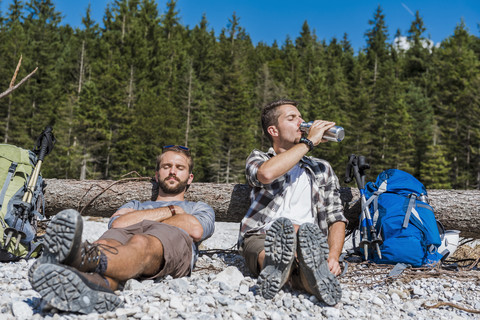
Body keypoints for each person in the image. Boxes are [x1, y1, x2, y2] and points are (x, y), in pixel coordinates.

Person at [29, 145, 215, 314]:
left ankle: (73, 258)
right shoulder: (135, 203)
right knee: (105, 242)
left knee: (141, 242)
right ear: (157, 174)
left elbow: (195, 229)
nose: (172, 171)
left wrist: (138, 218)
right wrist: (172, 212)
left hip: (168, 246)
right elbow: (117, 224)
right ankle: (80, 288)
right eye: (166, 166)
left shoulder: (199, 207)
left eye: (179, 168)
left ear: (190, 178)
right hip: (126, 247)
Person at [238, 99, 347, 305]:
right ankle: (291, 273)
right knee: (269, 251)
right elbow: (266, 174)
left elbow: (336, 217)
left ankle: (299, 274)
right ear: (274, 130)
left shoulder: (322, 168)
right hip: (264, 234)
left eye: (300, 117)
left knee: (307, 249)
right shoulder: (259, 158)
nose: (301, 122)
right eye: (292, 118)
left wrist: (333, 256)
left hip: (309, 241)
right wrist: (309, 143)